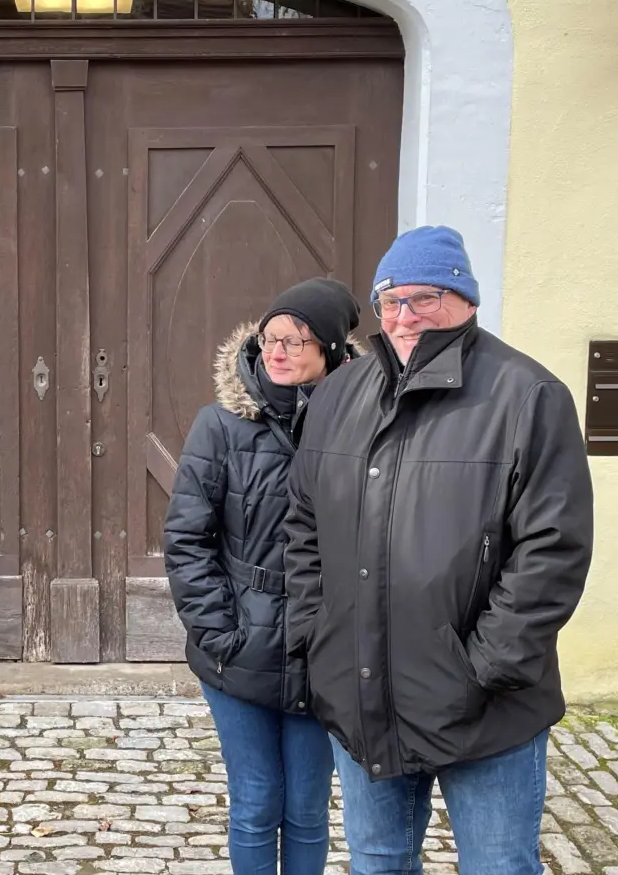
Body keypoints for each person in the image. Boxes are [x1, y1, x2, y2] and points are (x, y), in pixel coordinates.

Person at [283, 226, 594, 874]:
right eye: (389, 301)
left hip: (486, 707)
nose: (403, 317)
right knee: (378, 862)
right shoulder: (339, 395)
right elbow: (304, 530)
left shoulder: (528, 396)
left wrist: (480, 669)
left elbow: (553, 552)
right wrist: (320, 641)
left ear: (465, 300)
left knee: (499, 865)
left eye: (424, 298)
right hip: (363, 691)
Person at [164, 277, 364, 875]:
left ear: (328, 349)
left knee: (306, 807)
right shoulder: (220, 426)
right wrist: (218, 631)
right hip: (239, 644)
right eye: (270, 337)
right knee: (255, 802)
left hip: (320, 646)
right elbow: (186, 538)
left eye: (295, 341)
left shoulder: (359, 423)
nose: (277, 351)